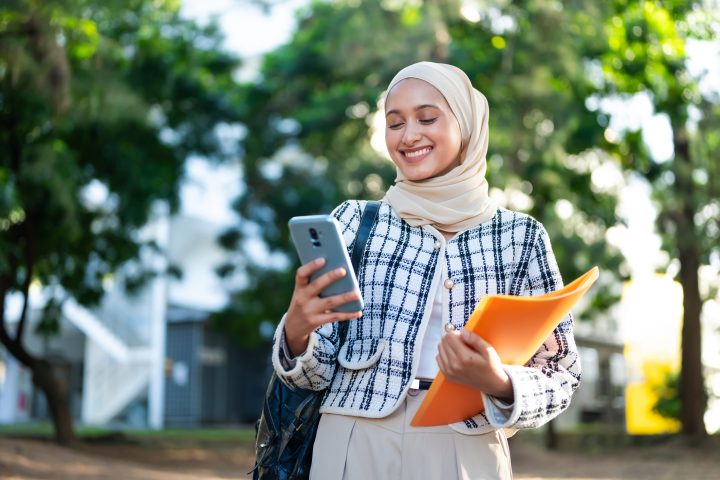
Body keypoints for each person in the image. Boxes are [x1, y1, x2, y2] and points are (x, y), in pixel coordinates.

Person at [272, 61, 581, 480]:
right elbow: (314, 372)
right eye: (394, 123)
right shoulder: (353, 222)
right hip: (353, 436)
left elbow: (562, 374)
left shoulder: (520, 237)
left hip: (466, 444)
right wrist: (297, 332)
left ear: (466, 124)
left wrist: (498, 380)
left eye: (427, 117)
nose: (409, 134)